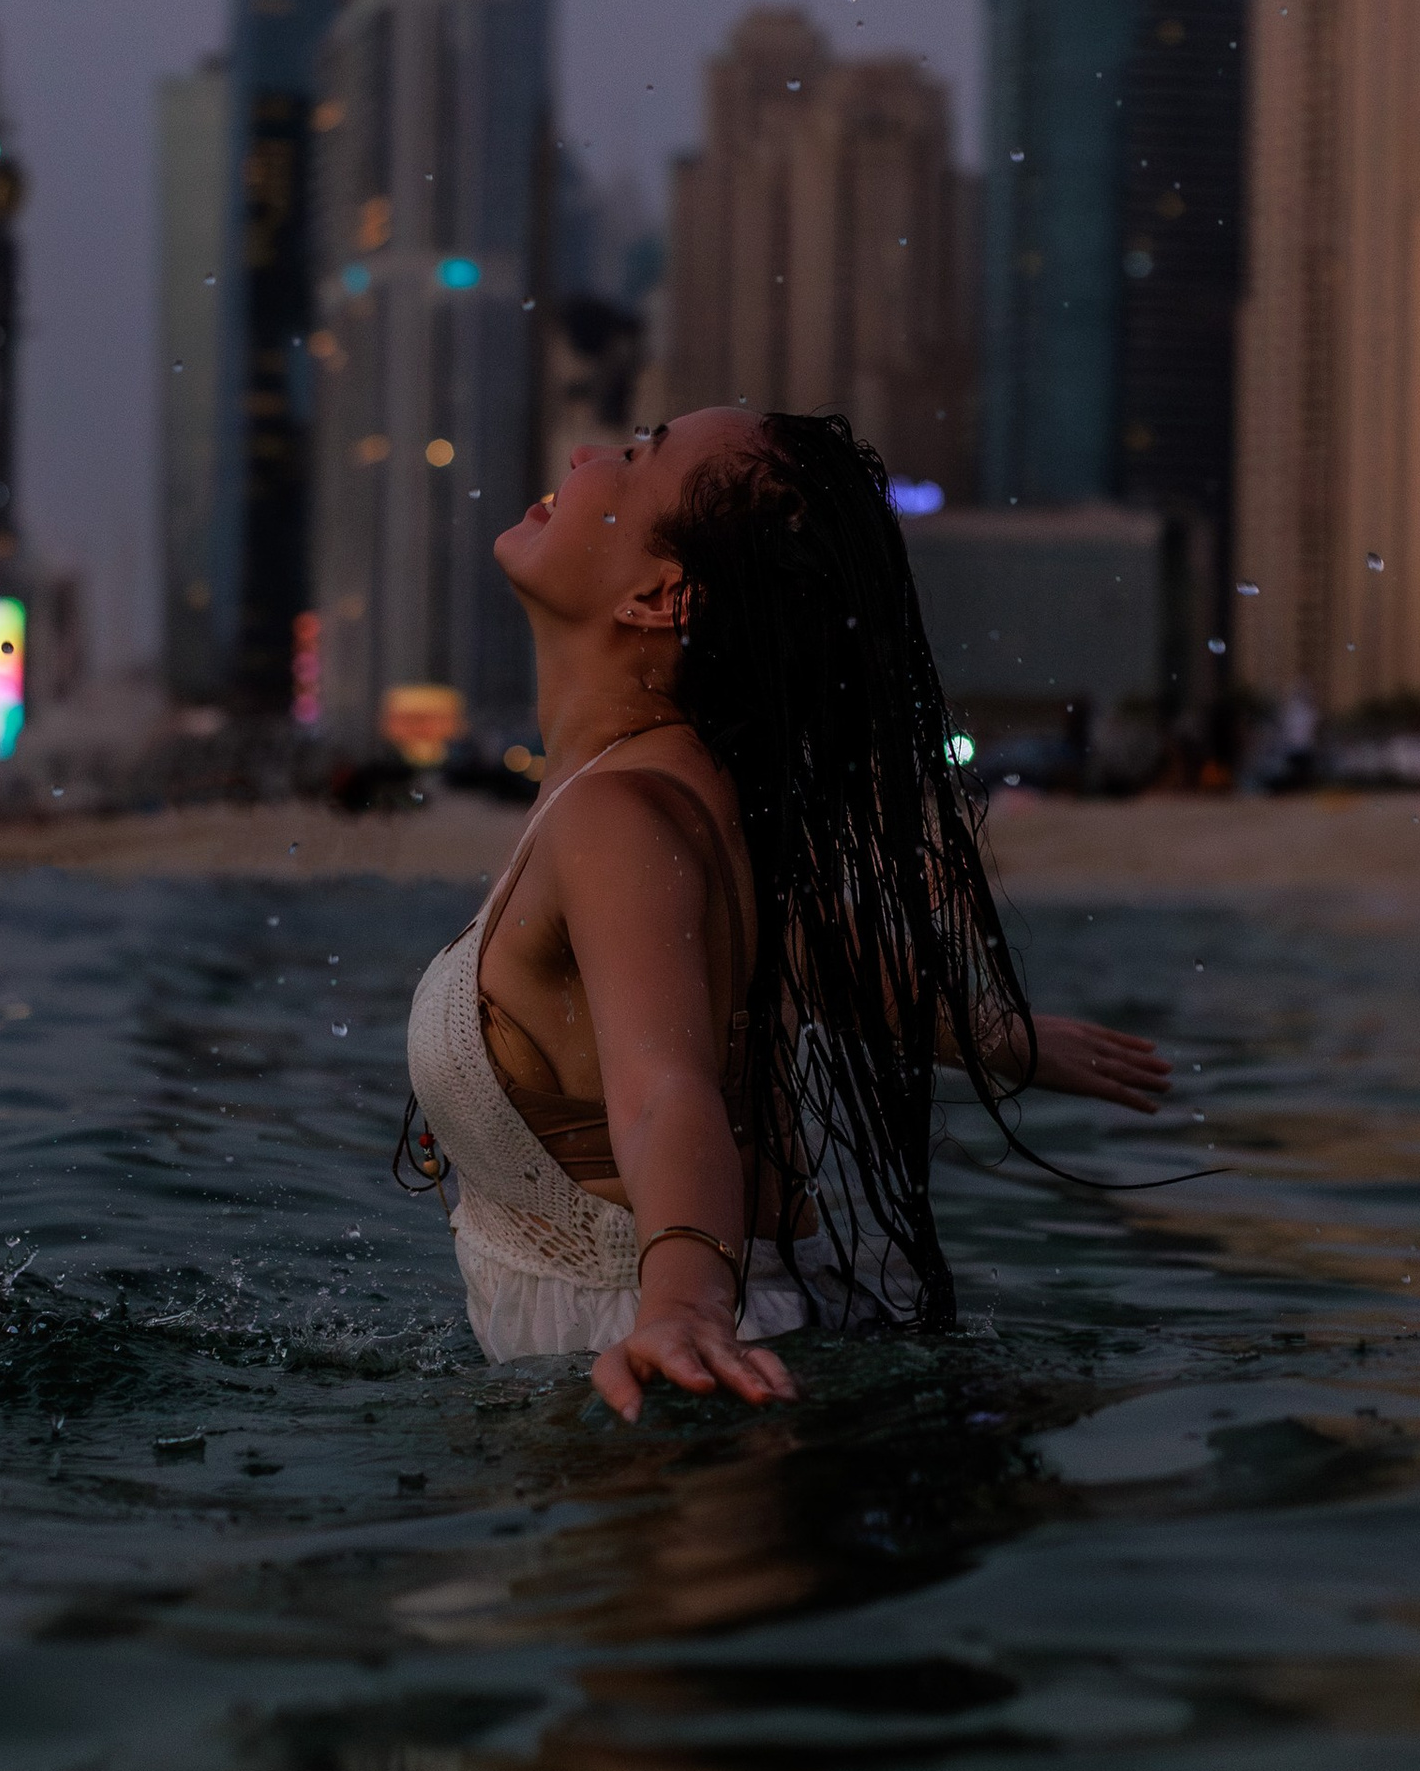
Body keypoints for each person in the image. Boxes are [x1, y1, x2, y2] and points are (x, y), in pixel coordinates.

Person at [403, 409, 1171, 1421]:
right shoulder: (669, 786)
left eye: (631, 460)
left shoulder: (618, 816)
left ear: (659, 595)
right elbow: (779, 954)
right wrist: (982, 1034)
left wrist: (681, 1310)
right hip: (720, 1346)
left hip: (663, 1372)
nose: (585, 456)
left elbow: (664, 1094)